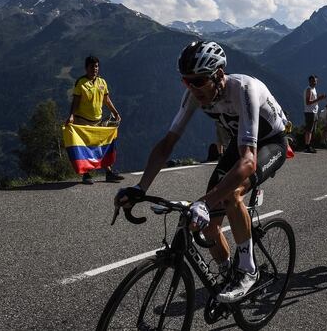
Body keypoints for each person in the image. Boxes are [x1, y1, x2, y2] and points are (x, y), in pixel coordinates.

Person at [115, 41, 289, 303]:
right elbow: (167, 145)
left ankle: (248, 271)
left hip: (270, 144)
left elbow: (249, 161)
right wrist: (140, 188)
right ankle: (228, 272)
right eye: (186, 81)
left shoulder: (244, 89)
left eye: (198, 81)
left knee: (231, 195)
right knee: (207, 225)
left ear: (219, 75)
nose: (192, 88)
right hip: (239, 143)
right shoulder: (194, 95)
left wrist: (206, 202)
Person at [66, 55, 124, 184]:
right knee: (85, 148)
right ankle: (86, 175)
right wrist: (71, 116)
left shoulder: (102, 82)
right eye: (92, 66)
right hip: (83, 120)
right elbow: (75, 101)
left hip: (98, 121)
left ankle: (109, 173)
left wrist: (115, 112)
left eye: (96, 66)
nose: (95, 69)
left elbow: (106, 100)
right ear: (86, 68)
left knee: (101, 147)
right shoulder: (81, 82)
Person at [303, 75, 326, 153]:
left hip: (314, 111)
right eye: (312, 81)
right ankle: (307, 146)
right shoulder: (309, 89)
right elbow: (308, 102)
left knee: (312, 130)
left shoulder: (314, 89)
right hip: (310, 112)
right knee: (309, 130)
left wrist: (319, 98)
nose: (314, 82)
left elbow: (313, 100)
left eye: (315, 81)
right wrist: (319, 99)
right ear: (309, 81)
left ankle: (310, 145)